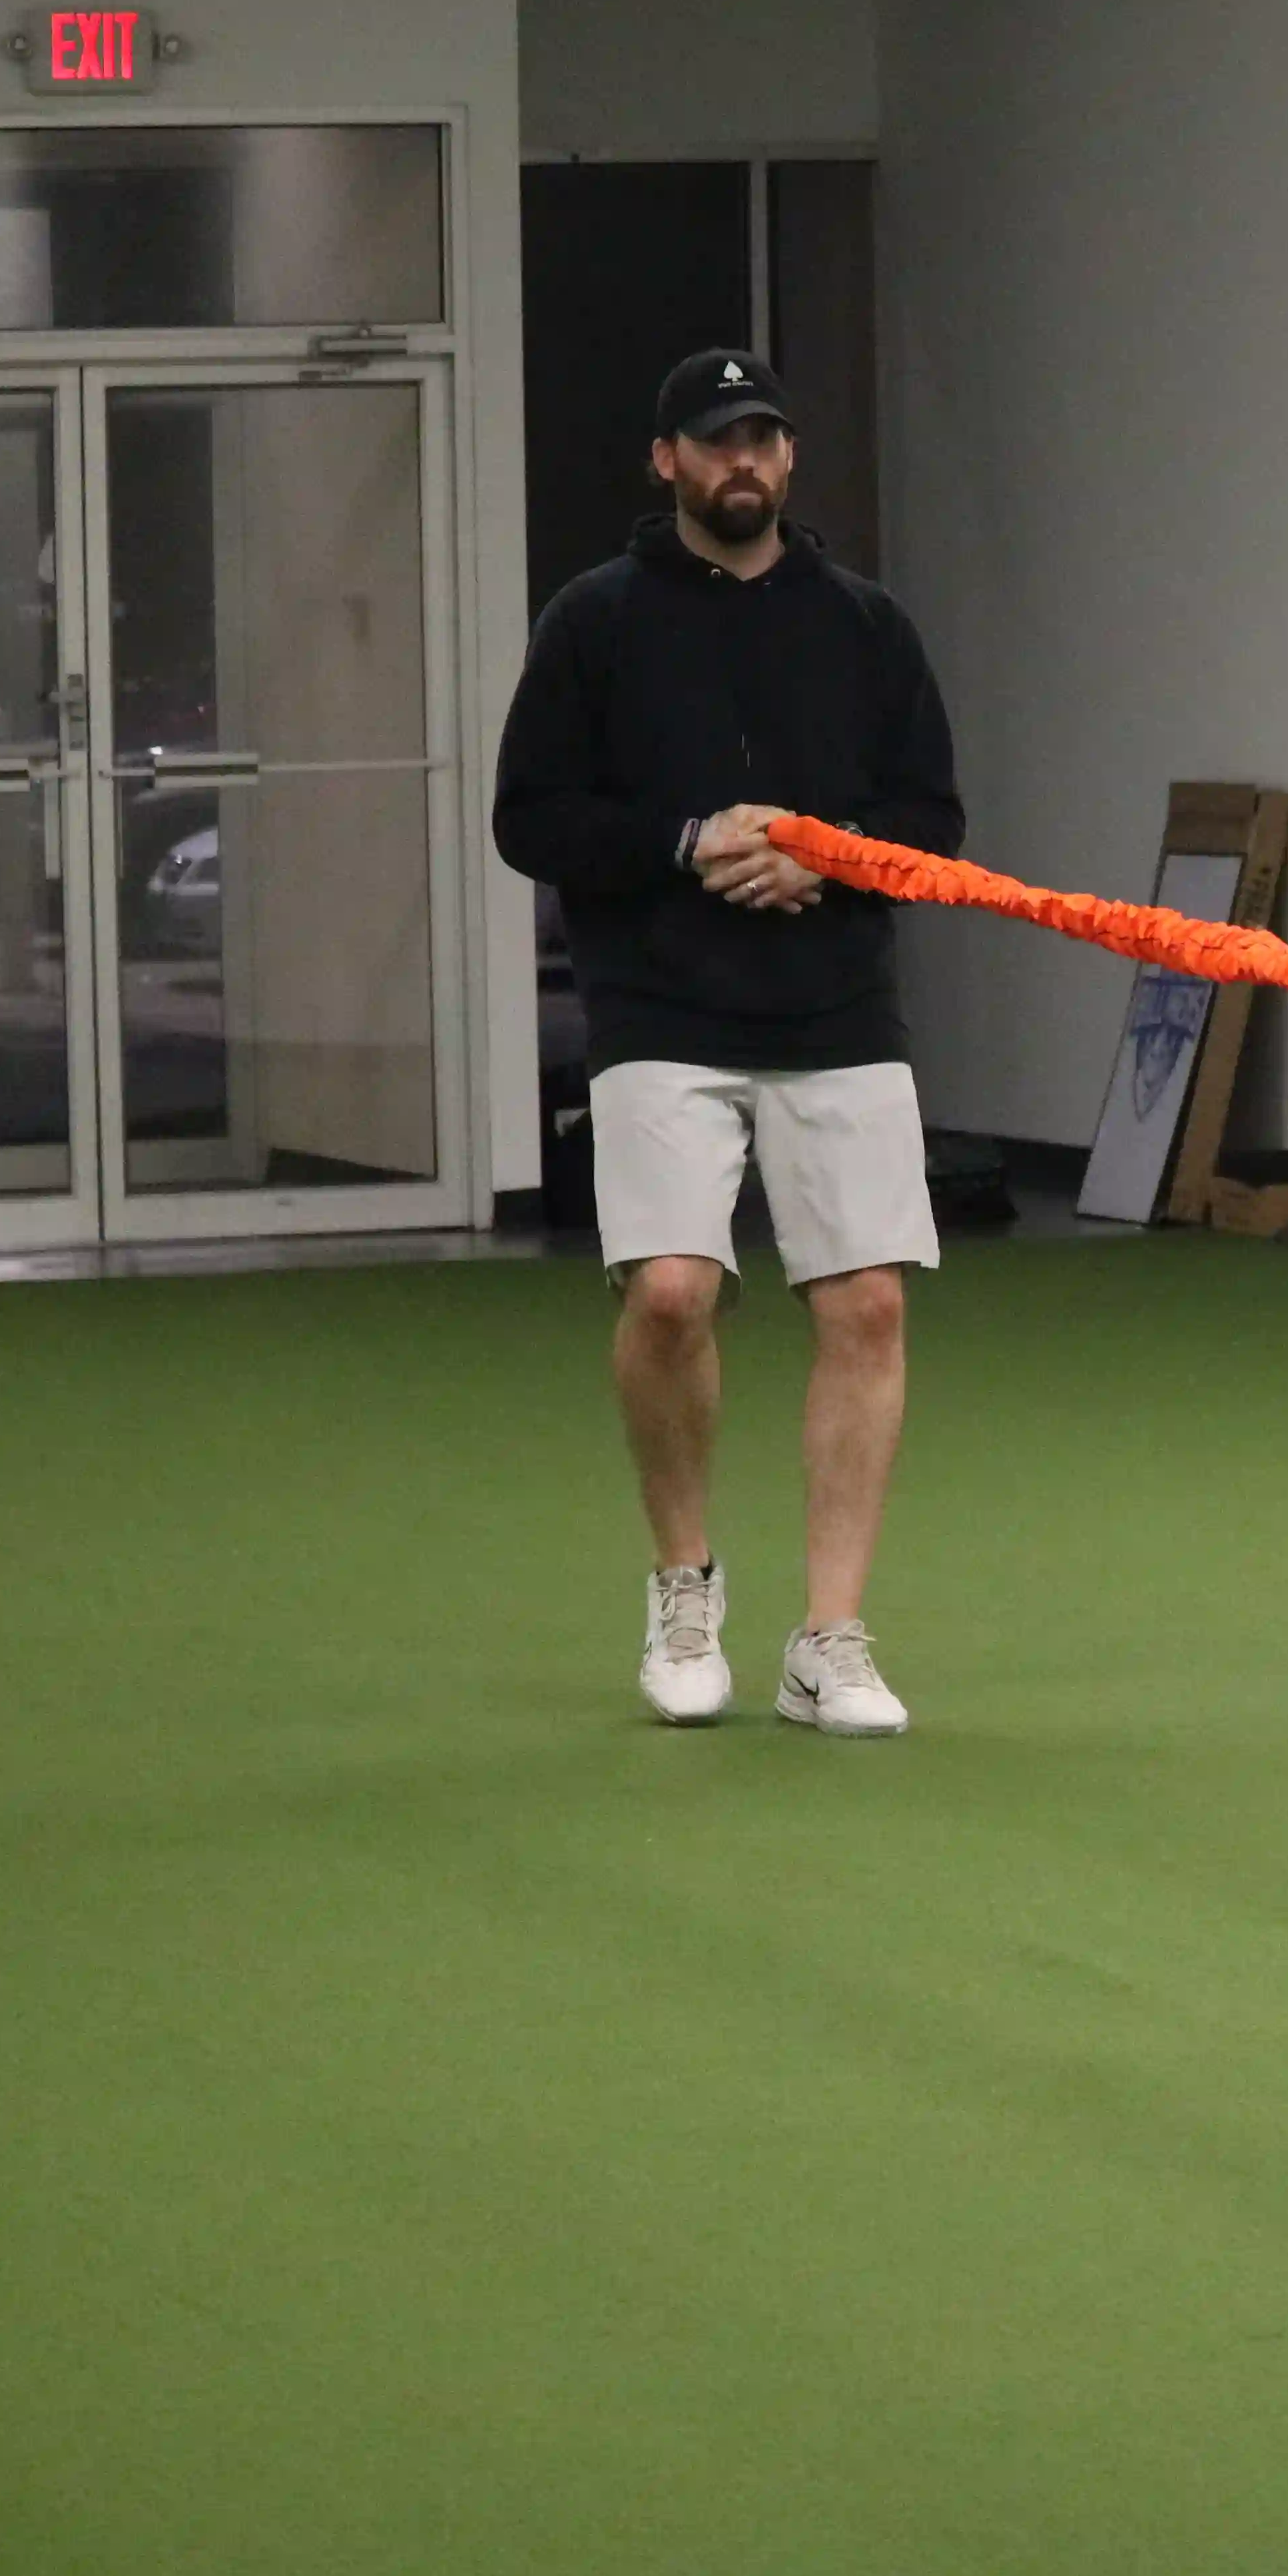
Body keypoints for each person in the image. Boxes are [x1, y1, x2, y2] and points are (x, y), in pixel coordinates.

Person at [493, 348, 964, 1739]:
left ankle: (830, 1640)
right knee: (669, 1294)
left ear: (790, 457)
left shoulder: (867, 626)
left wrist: (828, 855)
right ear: (668, 462)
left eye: (762, 436)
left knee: (867, 1306)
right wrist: (690, 840)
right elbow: (532, 817)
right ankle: (684, 1587)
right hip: (658, 1006)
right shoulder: (595, 620)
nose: (740, 460)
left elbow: (933, 823)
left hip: (838, 1007)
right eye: (714, 440)